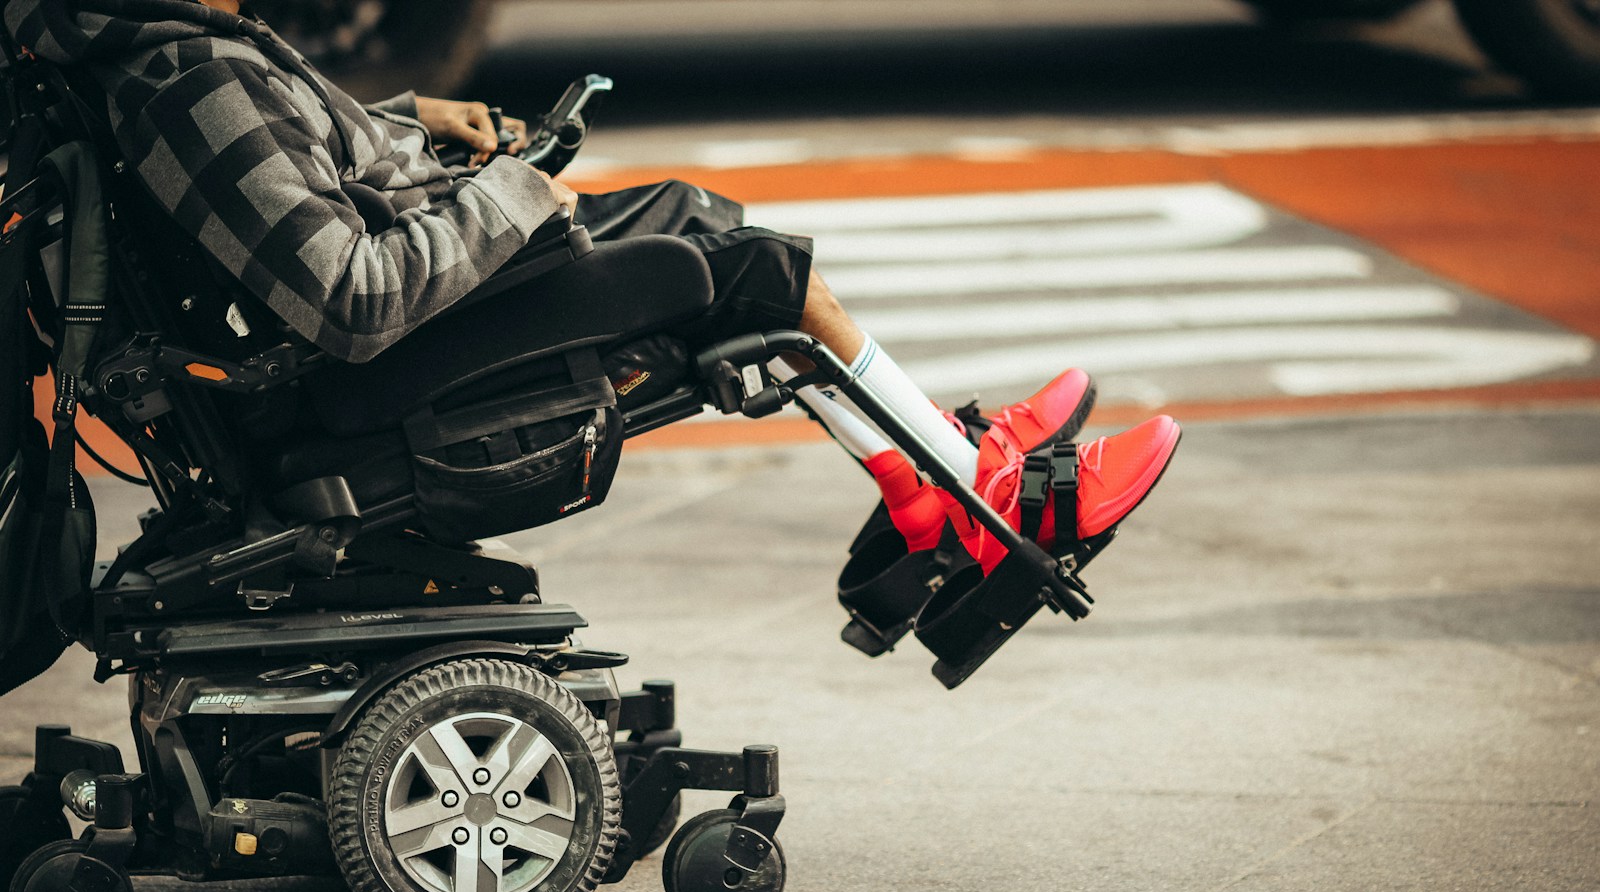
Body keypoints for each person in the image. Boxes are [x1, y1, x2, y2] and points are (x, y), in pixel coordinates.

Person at [4, 0, 1180, 572]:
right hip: (364, 382)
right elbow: (349, 295)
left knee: (697, 218)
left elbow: (289, 172)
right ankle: (983, 499)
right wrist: (512, 195)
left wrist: (406, 125)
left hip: (353, 349)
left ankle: (935, 469)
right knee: (736, 264)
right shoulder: (185, 73)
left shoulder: (165, 45)